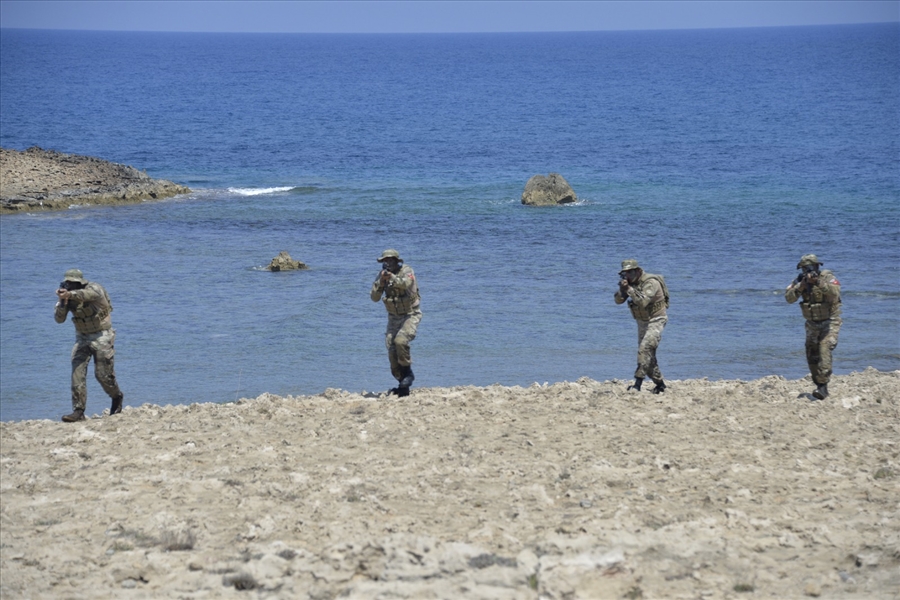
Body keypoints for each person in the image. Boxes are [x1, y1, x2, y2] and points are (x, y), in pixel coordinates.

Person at [54, 269, 124, 421]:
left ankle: (116, 396)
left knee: (102, 375)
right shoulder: (67, 297)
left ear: (81, 282)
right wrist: (63, 303)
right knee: (77, 373)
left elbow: (87, 295)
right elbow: (59, 320)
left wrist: (69, 294)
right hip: (82, 337)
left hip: (102, 336)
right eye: (68, 283)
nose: (70, 285)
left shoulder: (94, 289)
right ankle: (78, 411)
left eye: (73, 283)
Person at [785, 254, 842, 400]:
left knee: (825, 349)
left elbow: (835, 292)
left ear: (817, 266)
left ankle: (822, 387)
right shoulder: (799, 280)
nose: (808, 271)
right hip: (812, 324)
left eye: (810, 268)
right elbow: (788, 298)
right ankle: (818, 383)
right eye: (805, 268)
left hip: (830, 321)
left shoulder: (827, 277)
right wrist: (801, 286)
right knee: (812, 355)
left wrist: (818, 283)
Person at [370, 249, 421, 397]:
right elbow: (374, 297)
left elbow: (405, 284)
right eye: (385, 261)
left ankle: (408, 374)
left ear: (397, 261)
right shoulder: (382, 276)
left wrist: (392, 277)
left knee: (401, 341)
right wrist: (382, 282)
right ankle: (403, 385)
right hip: (393, 318)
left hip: (410, 315)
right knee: (392, 353)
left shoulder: (407, 270)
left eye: (391, 260)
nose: (388, 263)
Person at [614, 259, 669, 394]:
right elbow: (618, 301)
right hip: (642, 322)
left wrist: (629, 289)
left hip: (656, 320)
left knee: (644, 350)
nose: (628, 276)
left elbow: (643, 301)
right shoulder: (630, 284)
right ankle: (660, 384)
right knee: (648, 357)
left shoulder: (651, 283)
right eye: (625, 274)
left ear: (638, 271)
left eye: (630, 273)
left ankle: (637, 384)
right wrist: (622, 290)